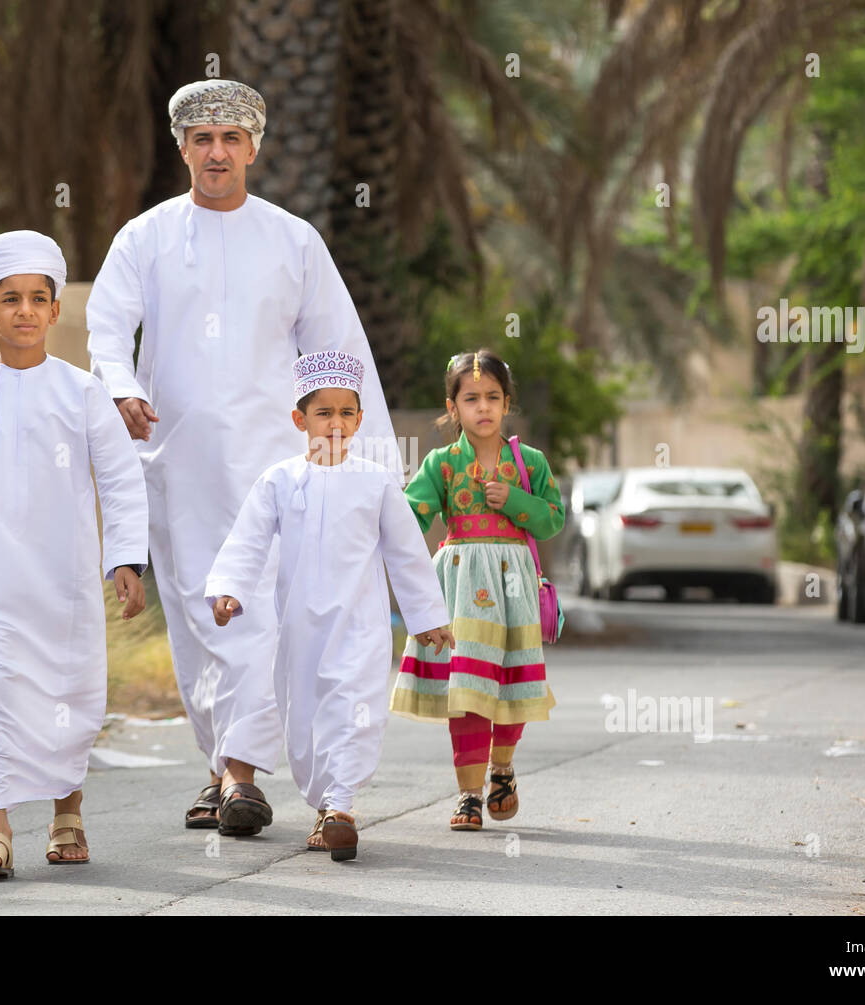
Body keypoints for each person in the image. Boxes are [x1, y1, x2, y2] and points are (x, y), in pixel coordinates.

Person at [85, 79, 401, 836]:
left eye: (231, 138)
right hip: (181, 463)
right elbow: (105, 328)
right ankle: (223, 765)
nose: (217, 151)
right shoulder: (145, 238)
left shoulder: (294, 240)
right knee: (200, 621)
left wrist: (368, 467)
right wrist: (121, 386)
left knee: (259, 616)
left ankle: (239, 777)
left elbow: (336, 351)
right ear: (182, 148)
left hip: (278, 467)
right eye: (203, 138)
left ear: (254, 147)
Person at [0, 230, 152, 878]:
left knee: (67, 694)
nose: (24, 310)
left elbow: (121, 479)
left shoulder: (82, 393)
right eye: (10, 298)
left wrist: (125, 560)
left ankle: (66, 811)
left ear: (54, 311)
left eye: (37, 298)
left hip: (64, 581)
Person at [205, 351, 454, 860]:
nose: (335, 423)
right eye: (324, 413)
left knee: (353, 712)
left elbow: (406, 551)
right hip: (298, 631)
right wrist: (230, 588)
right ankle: (323, 804)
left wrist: (426, 617)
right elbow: (248, 540)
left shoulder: (377, 481)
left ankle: (341, 808)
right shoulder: (278, 479)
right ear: (300, 420)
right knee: (304, 720)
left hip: (360, 627)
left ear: (360, 420)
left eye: (346, 413)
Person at [390, 349, 565, 831]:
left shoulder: (529, 462)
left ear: (507, 403)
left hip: (515, 587)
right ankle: (468, 796)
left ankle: (502, 770)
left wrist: (517, 501)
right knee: (467, 690)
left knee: (512, 682)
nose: (483, 407)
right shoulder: (440, 464)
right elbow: (410, 518)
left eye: (492, 397)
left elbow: (552, 520)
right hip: (461, 586)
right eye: (471, 399)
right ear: (453, 408)